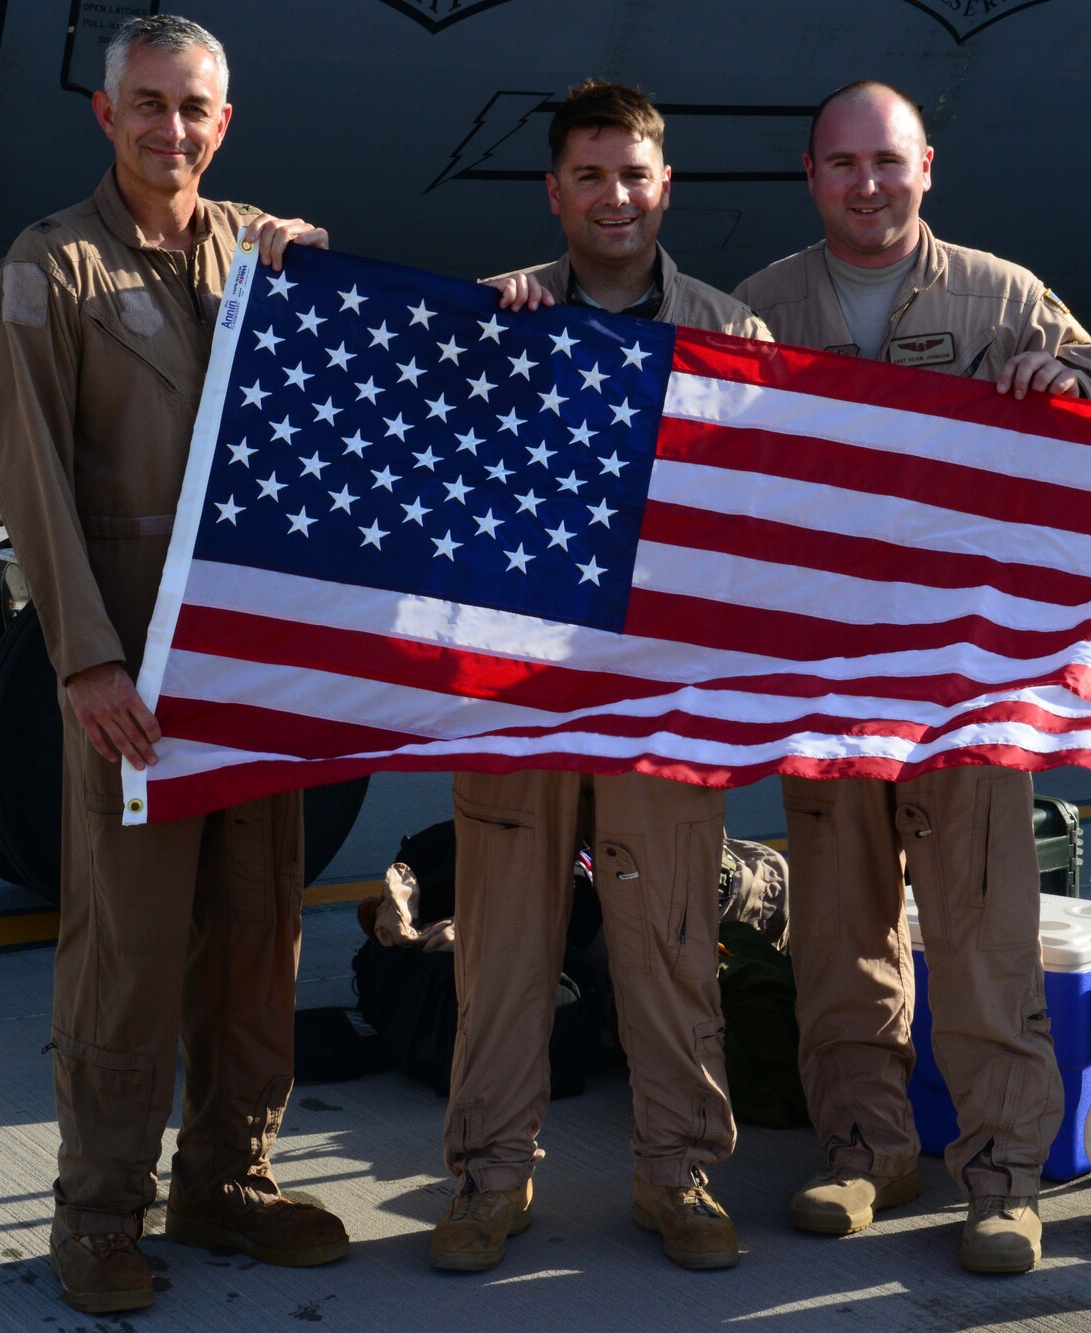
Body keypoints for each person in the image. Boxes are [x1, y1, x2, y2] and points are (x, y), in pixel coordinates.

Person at [731, 80, 1091, 1274]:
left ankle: (1001, 1178)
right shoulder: (761, 308)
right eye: (843, 165)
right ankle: (864, 1149)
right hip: (828, 676)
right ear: (811, 176)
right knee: (840, 933)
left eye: (887, 163)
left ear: (926, 167)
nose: (866, 185)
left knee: (981, 933)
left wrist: (1070, 390)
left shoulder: (1002, 299)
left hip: (964, 682)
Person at [0, 15, 344, 1314]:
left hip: (252, 664)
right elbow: (27, 472)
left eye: (194, 109)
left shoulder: (265, 252)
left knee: (259, 934)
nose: (170, 129)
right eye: (148, 104)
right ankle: (96, 1214)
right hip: (133, 662)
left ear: (222, 123)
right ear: (105, 112)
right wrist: (83, 658)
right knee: (129, 948)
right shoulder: (50, 268)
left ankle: (226, 1178)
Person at [430, 79, 771, 1275]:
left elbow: (767, 525)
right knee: (504, 949)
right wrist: (491, 345)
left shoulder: (734, 339)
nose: (613, 197)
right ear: (554, 191)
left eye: (633, 174)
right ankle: (485, 1181)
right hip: (516, 695)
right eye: (589, 175)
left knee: (671, 942)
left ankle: (676, 1176)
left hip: (661, 699)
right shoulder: (498, 325)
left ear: (663, 184)